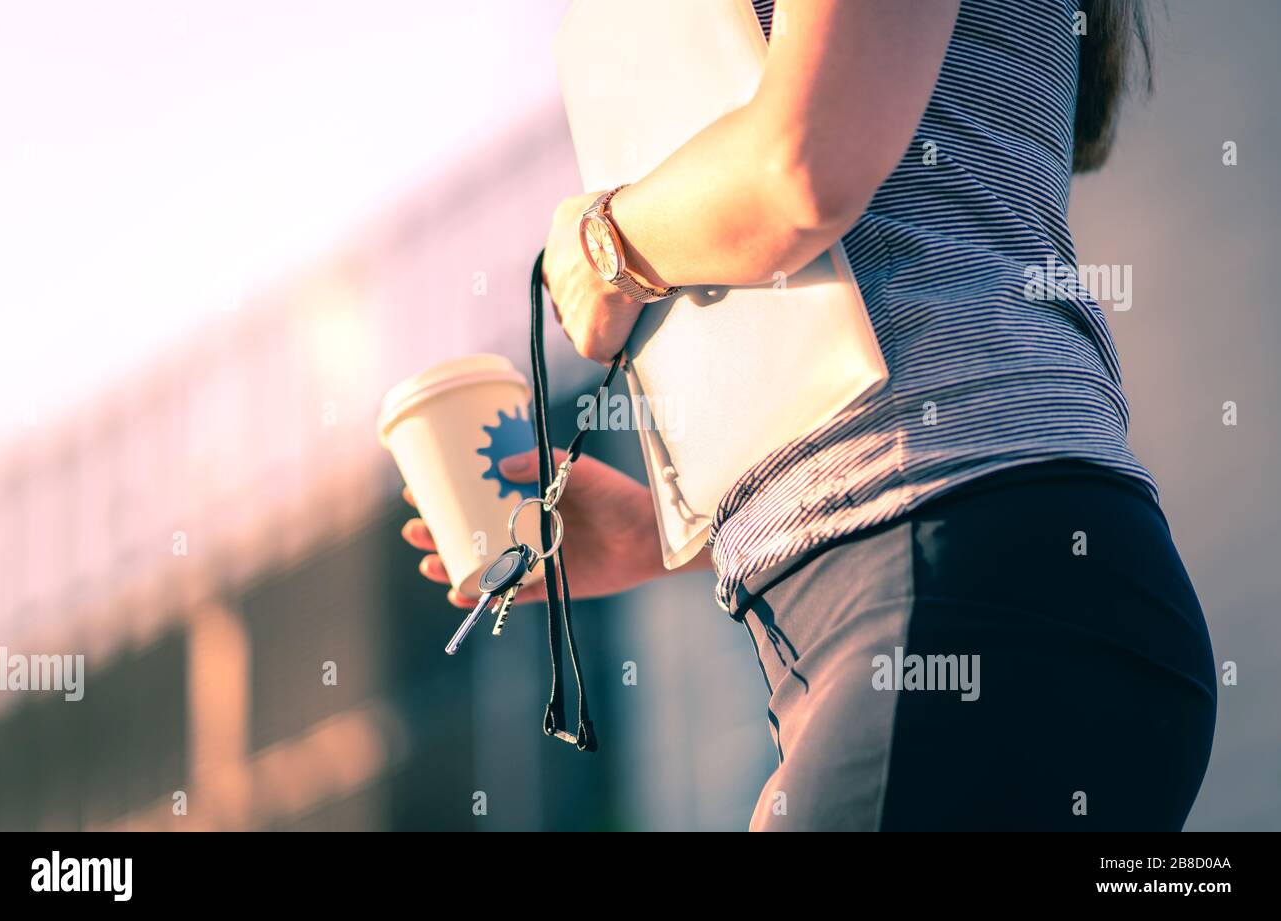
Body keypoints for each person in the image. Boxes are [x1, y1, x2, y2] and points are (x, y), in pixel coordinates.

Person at [403, 0, 1217, 830]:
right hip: (971, 584)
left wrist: (606, 243)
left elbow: (803, 161)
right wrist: (664, 534)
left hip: (956, 586)